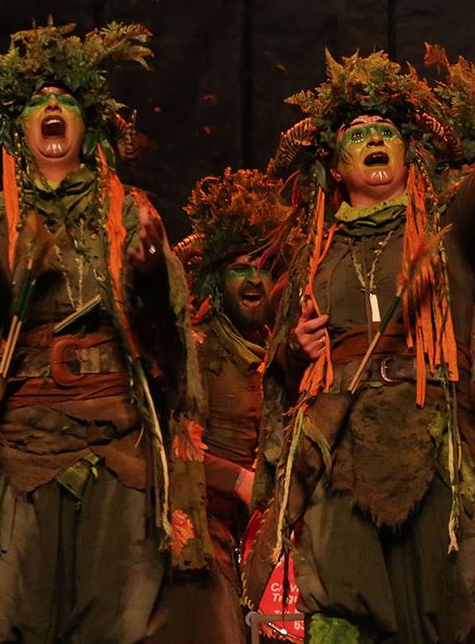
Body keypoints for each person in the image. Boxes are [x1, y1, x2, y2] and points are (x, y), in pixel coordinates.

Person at [252, 43, 475, 644]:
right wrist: (296, 350)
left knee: (439, 603)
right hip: (341, 442)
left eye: (387, 131)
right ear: (335, 166)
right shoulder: (314, 252)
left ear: (409, 155)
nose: (375, 140)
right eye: (358, 135)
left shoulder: (446, 232)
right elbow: (278, 367)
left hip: (430, 433)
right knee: (340, 600)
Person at [0, 22, 209, 644]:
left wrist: (149, 278)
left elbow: (163, 338)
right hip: (22, 441)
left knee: (115, 621)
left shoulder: (130, 211)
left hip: (114, 442)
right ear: (19, 129)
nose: (53, 108)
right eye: (38, 102)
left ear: (88, 126)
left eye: (67, 101)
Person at [151, 167, 288, 644]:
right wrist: (242, 480)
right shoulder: (198, 350)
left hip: (272, 533)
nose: (254, 277)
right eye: (239, 267)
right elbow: (169, 446)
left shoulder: (285, 351)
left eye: (264, 266)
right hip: (207, 529)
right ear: (214, 279)